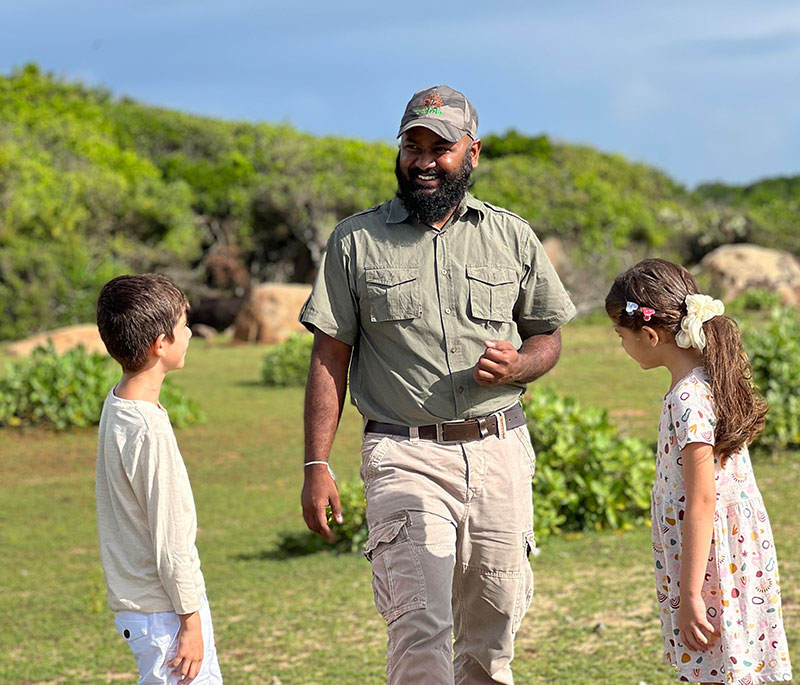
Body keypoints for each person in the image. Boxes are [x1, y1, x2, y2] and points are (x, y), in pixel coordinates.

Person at [299, 85, 576, 684]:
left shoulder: (512, 236)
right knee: (418, 625)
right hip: (404, 453)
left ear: (471, 154)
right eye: (412, 147)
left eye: (440, 148)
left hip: (499, 451)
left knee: (493, 628)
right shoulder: (355, 241)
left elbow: (547, 336)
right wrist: (315, 464)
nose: (423, 161)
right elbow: (329, 356)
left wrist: (522, 366)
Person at [605, 258, 792, 684]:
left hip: (711, 555)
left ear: (650, 335)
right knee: (733, 661)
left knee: (718, 661)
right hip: (726, 544)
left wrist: (689, 593)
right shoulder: (710, 378)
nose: (621, 346)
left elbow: (703, 497)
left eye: (621, 335)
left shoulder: (688, 397)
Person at [96, 274, 223, 684]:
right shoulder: (147, 429)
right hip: (166, 613)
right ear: (160, 343)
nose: (189, 332)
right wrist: (190, 622)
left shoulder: (118, 401)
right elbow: (170, 540)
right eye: (184, 324)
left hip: (148, 610)